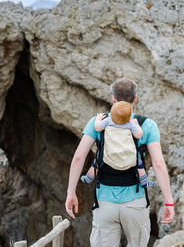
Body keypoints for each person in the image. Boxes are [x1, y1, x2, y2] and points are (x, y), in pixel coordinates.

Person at [65, 78, 175, 247]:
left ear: (113, 99)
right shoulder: (147, 125)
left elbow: (79, 157)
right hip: (136, 202)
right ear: (135, 99)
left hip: (105, 203)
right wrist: (168, 201)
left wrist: (71, 193)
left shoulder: (99, 123)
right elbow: (159, 164)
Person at [81, 101, 155, 189]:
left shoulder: (108, 121)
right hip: (127, 155)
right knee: (139, 164)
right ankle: (144, 182)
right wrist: (136, 124)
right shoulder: (130, 124)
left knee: (96, 163)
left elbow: (97, 128)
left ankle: (88, 178)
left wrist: (98, 119)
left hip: (109, 155)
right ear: (128, 118)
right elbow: (139, 134)